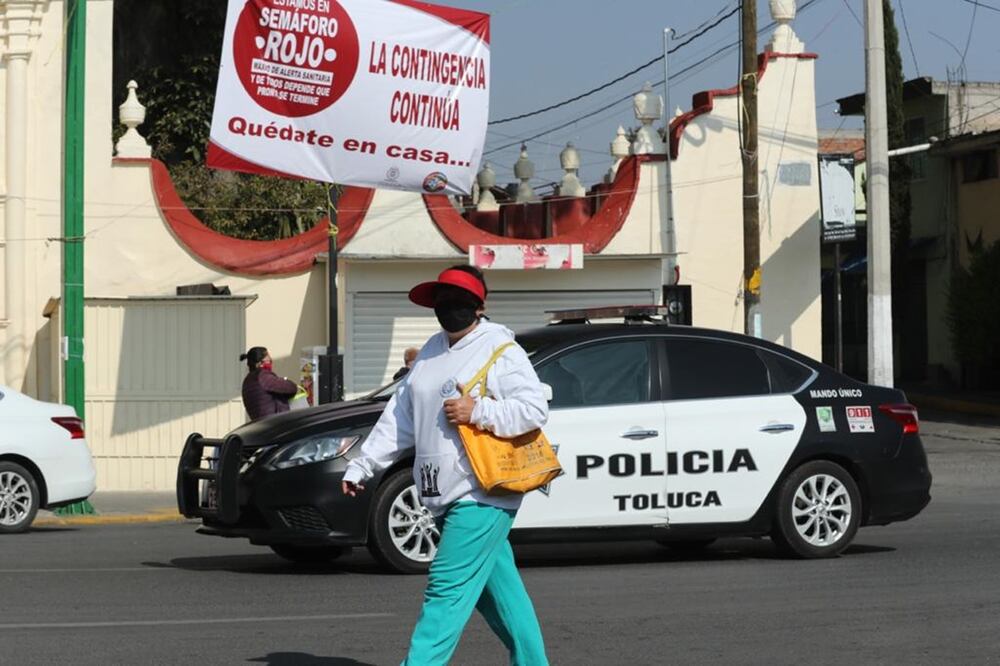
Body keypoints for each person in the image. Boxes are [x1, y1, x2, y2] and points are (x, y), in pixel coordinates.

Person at [342, 265, 549, 666]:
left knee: (445, 592)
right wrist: (361, 465)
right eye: (441, 300)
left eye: (457, 300)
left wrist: (479, 409)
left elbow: (533, 409)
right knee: (500, 598)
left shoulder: (499, 349)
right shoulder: (431, 352)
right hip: (438, 496)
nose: (447, 308)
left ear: (478, 306)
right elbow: (399, 420)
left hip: (483, 493)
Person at [240, 347, 297, 421]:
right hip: (274, 423)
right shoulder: (262, 376)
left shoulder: (247, 381)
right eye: (269, 360)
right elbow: (291, 388)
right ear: (260, 363)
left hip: (260, 424)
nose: (271, 362)